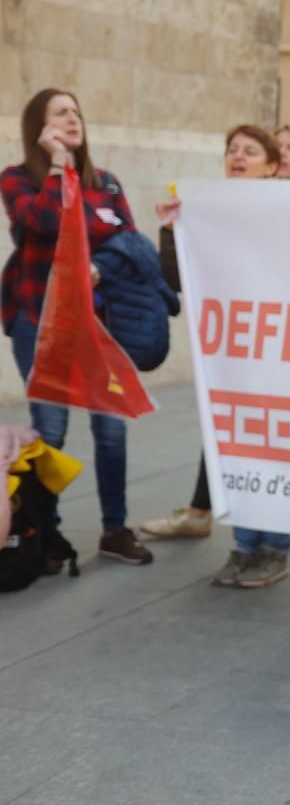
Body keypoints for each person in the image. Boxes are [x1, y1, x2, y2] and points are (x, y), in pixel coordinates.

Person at [1, 88, 152, 566]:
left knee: (111, 431)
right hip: (39, 321)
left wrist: (100, 267)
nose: (72, 118)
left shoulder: (105, 183)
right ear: (38, 129)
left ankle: (114, 529)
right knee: (52, 430)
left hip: (99, 326)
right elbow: (43, 220)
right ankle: (45, 534)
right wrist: (57, 164)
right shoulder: (16, 179)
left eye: (76, 111)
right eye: (59, 113)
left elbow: (128, 240)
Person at [143, 125, 290, 586]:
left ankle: (275, 547)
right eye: (232, 149)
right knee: (239, 448)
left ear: (272, 166)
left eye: (251, 151)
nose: (238, 156)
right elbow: (176, 277)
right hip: (233, 354)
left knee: (275, 446)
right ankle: (244, 546)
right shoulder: (207, 209)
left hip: (281, 350)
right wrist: (174, 229)